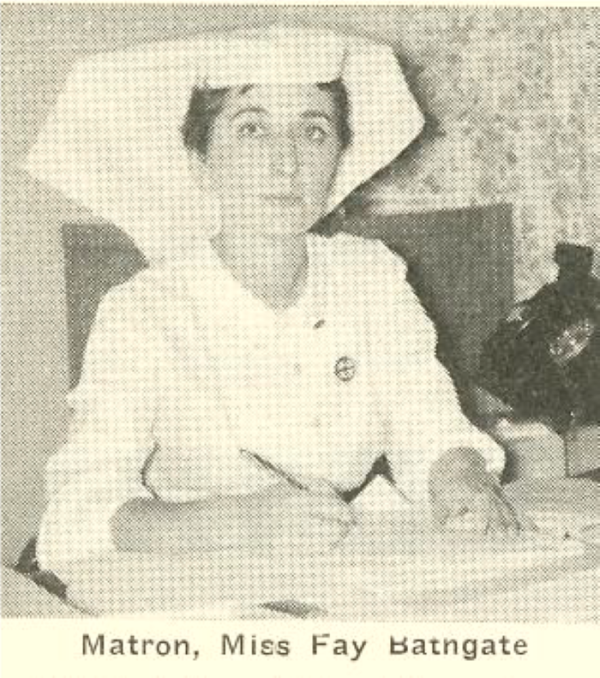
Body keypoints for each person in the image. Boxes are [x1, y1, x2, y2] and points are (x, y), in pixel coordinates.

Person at [25, 26, 521, 580]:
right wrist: (234, 522)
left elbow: (427, 423)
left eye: (313, 131)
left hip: (351, 561)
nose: (286, 163)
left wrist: (460, 477)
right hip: (191, 579)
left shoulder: (371, 274)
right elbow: (78, 508)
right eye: (252, 128)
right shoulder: (144, 311)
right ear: (200, 159)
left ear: (338, 155)